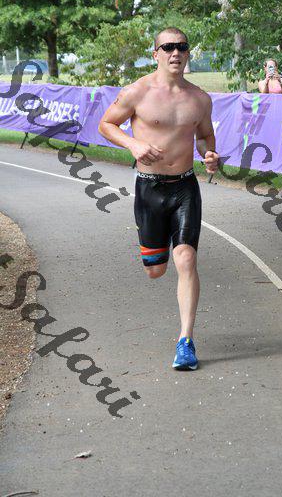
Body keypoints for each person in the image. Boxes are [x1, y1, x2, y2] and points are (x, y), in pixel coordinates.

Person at [98, 27, 219, 370]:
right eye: (167, 47)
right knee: (156, 270)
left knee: (186, 259)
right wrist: (133, 144)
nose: (175, 52)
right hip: (149, 189)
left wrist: (209, 155)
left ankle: (186, 341)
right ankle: (158, 252)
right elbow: (106, 124)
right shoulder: (137, 92)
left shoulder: (199, 98)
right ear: (156, 54)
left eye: (181, 47)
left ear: (188, 52)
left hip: (185, 187)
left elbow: (205, 136)